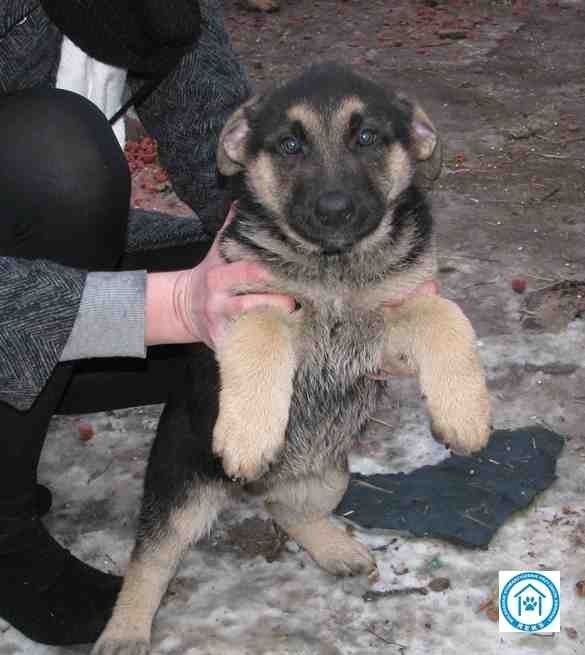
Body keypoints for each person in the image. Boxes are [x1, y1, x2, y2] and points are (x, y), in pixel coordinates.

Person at [0, 0, 438, 646]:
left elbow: (228, 155)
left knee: (248, 289)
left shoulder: (154, 11)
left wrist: (333, 269)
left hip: (49, 255)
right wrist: (177, 306)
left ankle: (288, 487)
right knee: (59, 158)